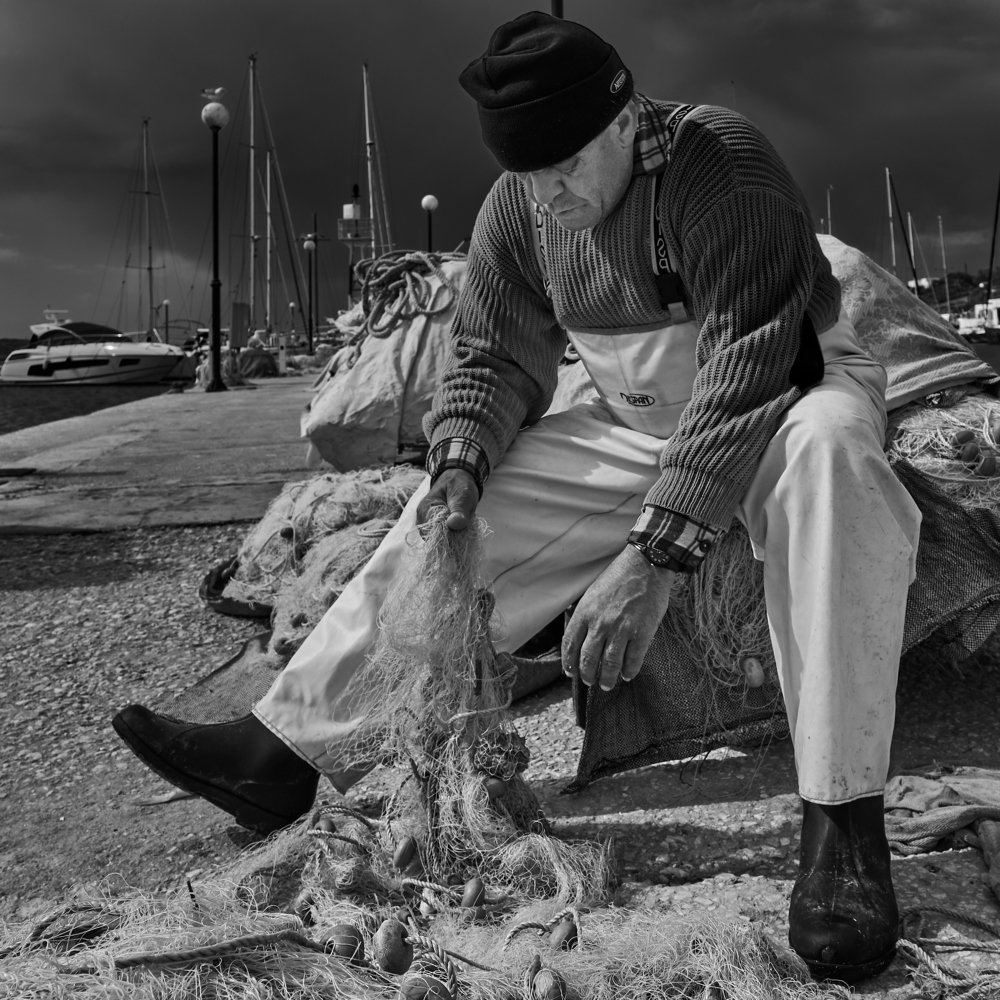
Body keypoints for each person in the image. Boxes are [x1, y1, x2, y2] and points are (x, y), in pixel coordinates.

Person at [113, 11, 921, 984]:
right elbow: (493, 359)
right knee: (449, 523)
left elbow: (747, 365)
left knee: (838, 462)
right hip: (632, 419)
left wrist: (654, 559)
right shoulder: (520, 206)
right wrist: (457, 459)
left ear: (628, 122)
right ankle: (280, 751)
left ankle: (843, 829)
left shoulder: (723, 166)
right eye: (531, 176)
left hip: (786, 386)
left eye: (569, 166)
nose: (551, 195)